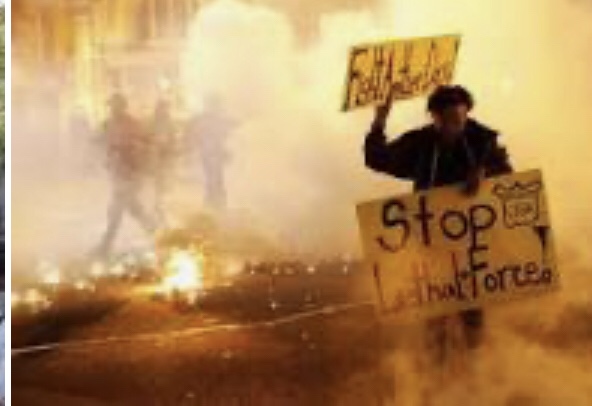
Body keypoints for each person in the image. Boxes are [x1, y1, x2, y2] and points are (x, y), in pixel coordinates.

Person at [364, 85, 513, 364]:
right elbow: (377, 158)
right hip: (432, 247)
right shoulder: (420, 143)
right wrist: (380, 120)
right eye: (446, 121)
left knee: (473, 316)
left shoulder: (483, 142)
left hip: (473, 249)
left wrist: (485, 174)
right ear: (434, 117)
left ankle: (477, 373)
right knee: (435, 318)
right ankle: (437, 378)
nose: (453, 127)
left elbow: (507, 179)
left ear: (467, 114)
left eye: (459, 120)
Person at [95, 93, 157, 257]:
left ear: (122, 106)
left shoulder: (133, 124)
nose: (112, 109)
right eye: (111, 106)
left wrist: (134, 152)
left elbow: (147, 142)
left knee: (116, 209)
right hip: (117, 172)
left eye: (115, 105)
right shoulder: (107, 124)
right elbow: (99, 141)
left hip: (131, 172)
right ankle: (154, 230)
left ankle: (105, 245)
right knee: (132, 207)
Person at [185, 95, 234, 211]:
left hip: (214, 153)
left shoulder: (217, 119)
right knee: (213, 178)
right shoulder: (204, 119)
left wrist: (224, 149)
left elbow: (225, 134)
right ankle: (213, 204)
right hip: (208, 153)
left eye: (217, 104)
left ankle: (216, 204)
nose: (217, 106)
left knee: (217, 178)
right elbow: (195, 135)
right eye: (215, 104)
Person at [148, 99, 177, 223]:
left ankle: (160, 205)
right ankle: (158, 205)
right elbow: (148, 137)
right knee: (159, 181)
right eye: (162, 108)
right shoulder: (153, 122)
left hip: (165, 154)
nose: (164, 110)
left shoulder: (169, 122)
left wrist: (171, 148)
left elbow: (173, 137)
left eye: (165, 108)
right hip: (156, 154)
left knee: (165, 181)